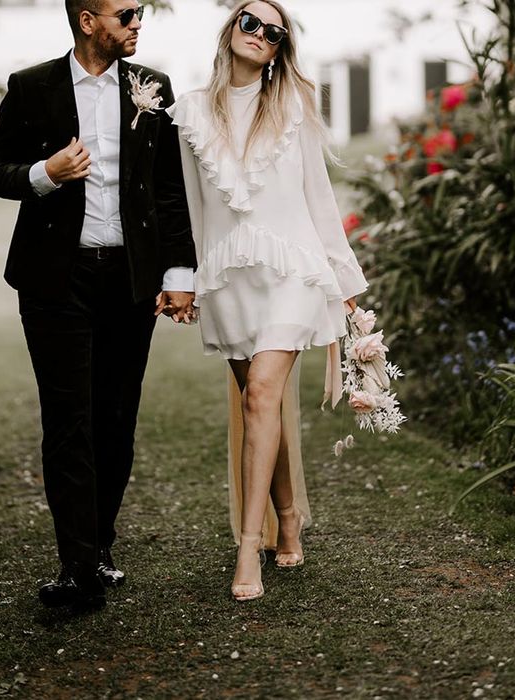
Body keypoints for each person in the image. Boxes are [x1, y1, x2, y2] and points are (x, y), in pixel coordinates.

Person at [0, 0, 196, 610]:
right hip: (56, 280)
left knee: (116, 417)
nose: (137, 22)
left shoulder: (153, 88)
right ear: (87, 20)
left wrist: (179, 272)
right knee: (68, 420)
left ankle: (99, 545)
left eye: (141, 12)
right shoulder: (32, 87)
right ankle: (77, 567)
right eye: (126, 12)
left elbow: (170, 188)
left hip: (128, 280)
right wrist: (46, 172)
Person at [167, 0, 368, 601]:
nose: (260, 35)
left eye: (274, 33)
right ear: (230, 30)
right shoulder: (188, 114)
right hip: (229, 277)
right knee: (263, 406)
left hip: (292, 271)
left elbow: (319, 199)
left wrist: (349, 288)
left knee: (261, 394)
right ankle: (287, 516)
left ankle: (247, 548)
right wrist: (190, 279)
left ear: (280, 50)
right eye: (250, 22)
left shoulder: (294, 112)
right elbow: (191, 210)